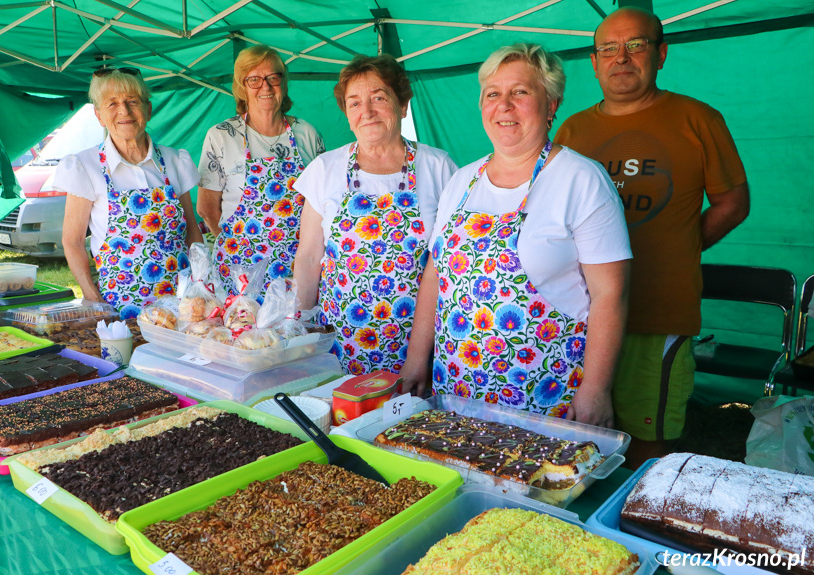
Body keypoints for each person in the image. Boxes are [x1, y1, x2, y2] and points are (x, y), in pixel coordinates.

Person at [401, 43, 631, 426]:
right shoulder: (462, 181)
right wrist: (415, 360)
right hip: (456, 389)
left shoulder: (581, 179)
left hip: (545, 394)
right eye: (493, 94)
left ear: (552, 103)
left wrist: (596, 389)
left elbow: (612, 293)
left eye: (520, 92)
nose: (504, 105)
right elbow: (435, 275)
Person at [555, 8, 749, 463]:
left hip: (659, 312)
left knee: (647, 444)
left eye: (636, 45)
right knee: (576, 435)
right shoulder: (572, 131)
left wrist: (683, 246)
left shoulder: (698, 119)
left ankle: (632, 525)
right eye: (609, 48)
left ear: (661, 54)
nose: (622, 57)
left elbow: (733, 203)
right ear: (594, 60)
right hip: (579, 315)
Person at [293, 54, 457, 376]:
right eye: (354, 103)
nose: (366, 112)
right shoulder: (324, 169)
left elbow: (448, 265)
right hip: (340, 346)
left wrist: (421, 356)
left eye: (379, 98)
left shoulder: (439, 167)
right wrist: (298, 331)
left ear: (403, 104)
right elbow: (310, 257)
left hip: (418, 349)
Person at [59, 67, 202, 320]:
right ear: (99, 116)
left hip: (181, 307)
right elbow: (72, 241)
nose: (124, 111)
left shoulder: (173, 161)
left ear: (148, 109)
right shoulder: (85, 166)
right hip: (120, 310)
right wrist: (93, 297)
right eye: (112, 103)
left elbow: (192, 229)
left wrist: (202, 283)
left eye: (132, 102)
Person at [197, 45, 325, 295]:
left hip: (297, 273)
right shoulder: (221, 136)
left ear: (284, 83)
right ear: (241, 87)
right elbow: (206, 208)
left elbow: (323, 205)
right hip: (240, 275)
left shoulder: (307, 134)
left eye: (273, 77)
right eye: (253, 79)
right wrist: (236, 247)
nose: (265, 87)